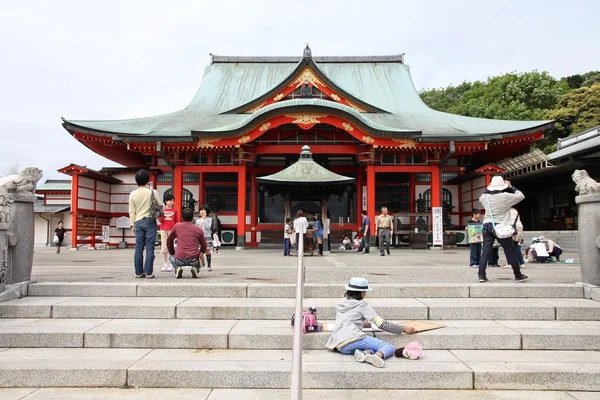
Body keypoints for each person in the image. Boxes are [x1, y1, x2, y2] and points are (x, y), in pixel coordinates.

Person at [326, 277, 416, 368]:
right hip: (353, 338)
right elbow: (382, 324)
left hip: (341, 346)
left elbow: (346, 319)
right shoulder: (362, 304)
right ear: (362, 292)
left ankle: (364, 353)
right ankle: (376, 357)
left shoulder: (342, 303)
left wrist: (363, 324)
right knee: (389, 347)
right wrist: (403, 328)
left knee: (371, 348)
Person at [478, 176, 528, 283]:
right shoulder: (506, 196)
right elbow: (521, 196)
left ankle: (481, 275)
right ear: (502, 187)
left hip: (487, 225)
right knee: (510, 250)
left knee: (485, 251)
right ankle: (518, 275)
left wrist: (489, 188)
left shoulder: (484, 198)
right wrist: (511, 187)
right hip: (500, 226)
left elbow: (483, 193)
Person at [128, 169, 162, 279]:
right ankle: (148, 272)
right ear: (148, 180)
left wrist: (132, 224)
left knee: (138, 247)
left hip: (138, 221)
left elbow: (131, 211)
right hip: (150, 221)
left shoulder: (132, 194)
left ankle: (138, 272)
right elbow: (159, 205)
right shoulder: (153, 192)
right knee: (150, 247)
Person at [166, 208, 208, 279]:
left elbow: (169, 240)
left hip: (180, 258)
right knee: (200, 256)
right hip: (194, 258)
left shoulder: (177, 226)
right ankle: (195, 268)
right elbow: (204, 245)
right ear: (192, 217)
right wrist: (201, 252)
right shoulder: (198, 229)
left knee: (171, 257)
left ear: (182, 217)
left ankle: (177, 267)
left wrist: (172, 252)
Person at [158, 194, 179, 272]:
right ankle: (165, 263)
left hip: (172, 230)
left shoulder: (175, 210)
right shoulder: (162, 210)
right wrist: (162, 212)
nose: (171, 202)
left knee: (171, 247)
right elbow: (160, 220)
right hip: (163, 230)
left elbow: (177, 221)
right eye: (170, 201)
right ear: (166, 201)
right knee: (164, 247)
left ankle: (171, 263)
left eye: (173, 201)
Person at [195, 204, 214, 271]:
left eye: (203, 210)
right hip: (199, 237)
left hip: (207, 236)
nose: (202, 211)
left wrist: (204, 219)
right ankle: (199, 265)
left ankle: (209, 265)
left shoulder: (209, 219)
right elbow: (196, 228)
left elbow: (208, 227)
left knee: (208, 251)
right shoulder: (198, 220)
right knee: (199, 251)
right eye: (201, 210)